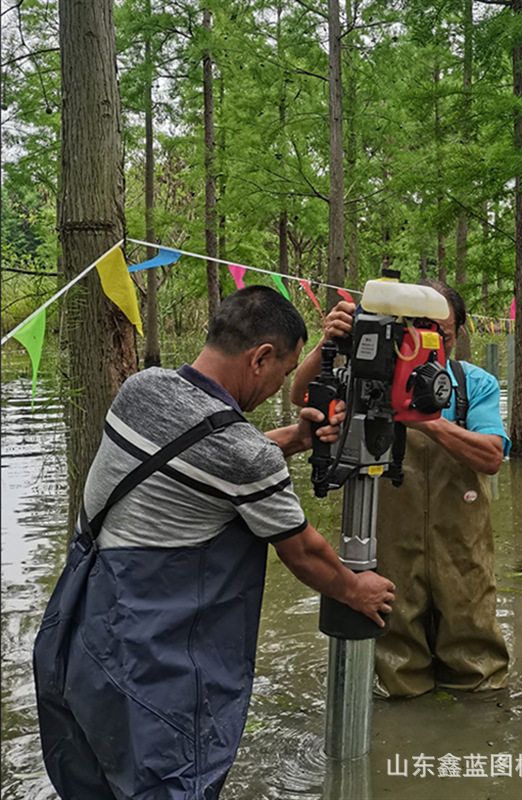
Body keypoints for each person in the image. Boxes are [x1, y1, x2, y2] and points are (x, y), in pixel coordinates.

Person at [33, 285, 395, 799]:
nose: (279, 386)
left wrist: (294, 437)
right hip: (151, 667)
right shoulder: (245, 457)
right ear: (260, 357)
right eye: (283, 373)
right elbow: (304, 551)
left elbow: (197, 461)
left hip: (74, 636)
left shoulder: (141, 389)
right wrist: (357, 592)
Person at [290, 279, 510, 698]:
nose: (426, 342)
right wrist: (327, 345)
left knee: (474, 647)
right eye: (415, 329)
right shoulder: (368, 378)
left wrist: (424, 418)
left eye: (439, 335)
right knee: (394, 651)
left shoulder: (471, 385)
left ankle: (479, 729)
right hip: (390, 539)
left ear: (457, 334)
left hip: (461, 542)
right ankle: (401, 725)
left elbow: (491, 456)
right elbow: (301, 395)